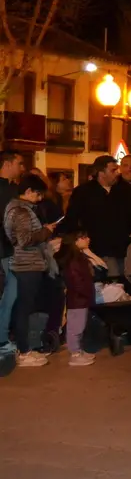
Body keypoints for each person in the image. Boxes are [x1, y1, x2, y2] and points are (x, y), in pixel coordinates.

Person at [4, 175, 59, 368]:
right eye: (38, 194)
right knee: (24, 309)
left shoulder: (17, 208)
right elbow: (25, 240)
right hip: (27, 264)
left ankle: (25, 348)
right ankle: (24, 351)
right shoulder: (21, 211)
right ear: (28, 191)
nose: (40, 198)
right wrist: (46, 231)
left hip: (25, 264)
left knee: (24, 307)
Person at [60, 155, 131, 276]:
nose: (117, 173)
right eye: (113, 170)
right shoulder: (83, 192)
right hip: (97, 249)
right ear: (101, 172)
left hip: (124, 248)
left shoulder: (125, 189)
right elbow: (72, 218)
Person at [56, 230, 97, 366]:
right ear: (75, 241)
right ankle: (75, 354)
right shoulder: (73, 260)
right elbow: (76, 281)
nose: (88, 239)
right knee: (75, 327)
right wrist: (85, 292)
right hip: (77, 299)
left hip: (81, 298)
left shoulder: (78, 257)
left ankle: (79, 350)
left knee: (80, 326)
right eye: (83, 237)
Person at [0, 151, 24, 375]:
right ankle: (2, 339)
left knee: (10, 296)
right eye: (19, 163)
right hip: (6, 252)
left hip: (8, 251)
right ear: (7, 164)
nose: (21, 167)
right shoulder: (7, 191)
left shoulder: (11, 189)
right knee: (9, 295)